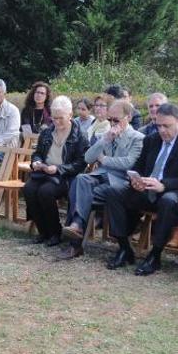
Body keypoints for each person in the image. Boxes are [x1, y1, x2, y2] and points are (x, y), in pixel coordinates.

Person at [102, 103, 178, 274]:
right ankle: (124, 248)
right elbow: (140, 167)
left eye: (167, 126)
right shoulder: (151, 140)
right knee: (113, 191)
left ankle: (155, 255)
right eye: (158, 125)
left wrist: (164, 184)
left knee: (168, 200)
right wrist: (136, 180)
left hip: (176, 194)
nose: (162, 130)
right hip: (147, 190)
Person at [59, 100, 144, 259]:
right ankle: (76, 228)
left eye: (116, 120)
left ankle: (74, 240)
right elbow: (88, 157)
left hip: (119, 182)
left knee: (78, 191)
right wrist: (105, 140)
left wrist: (104, 160)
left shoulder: (137, 138)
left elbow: (129, 162)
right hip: (99, 177)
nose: (112, 123)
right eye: (110, 119)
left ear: (129, 117)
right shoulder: (106, 134)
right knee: (80, 180)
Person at [23, 96, 88, 247]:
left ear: (70, 115)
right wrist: (36, 162)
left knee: (45, 192)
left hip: (65, 177)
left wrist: (59, 168)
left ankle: (54, 232)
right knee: (29, 189)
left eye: (61, 118)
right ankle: (42, 231)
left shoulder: (80, 135)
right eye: (54, 118)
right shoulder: (47, 132)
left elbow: (81, 163)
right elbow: (37, 152)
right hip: (43, 172)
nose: (57, 122)